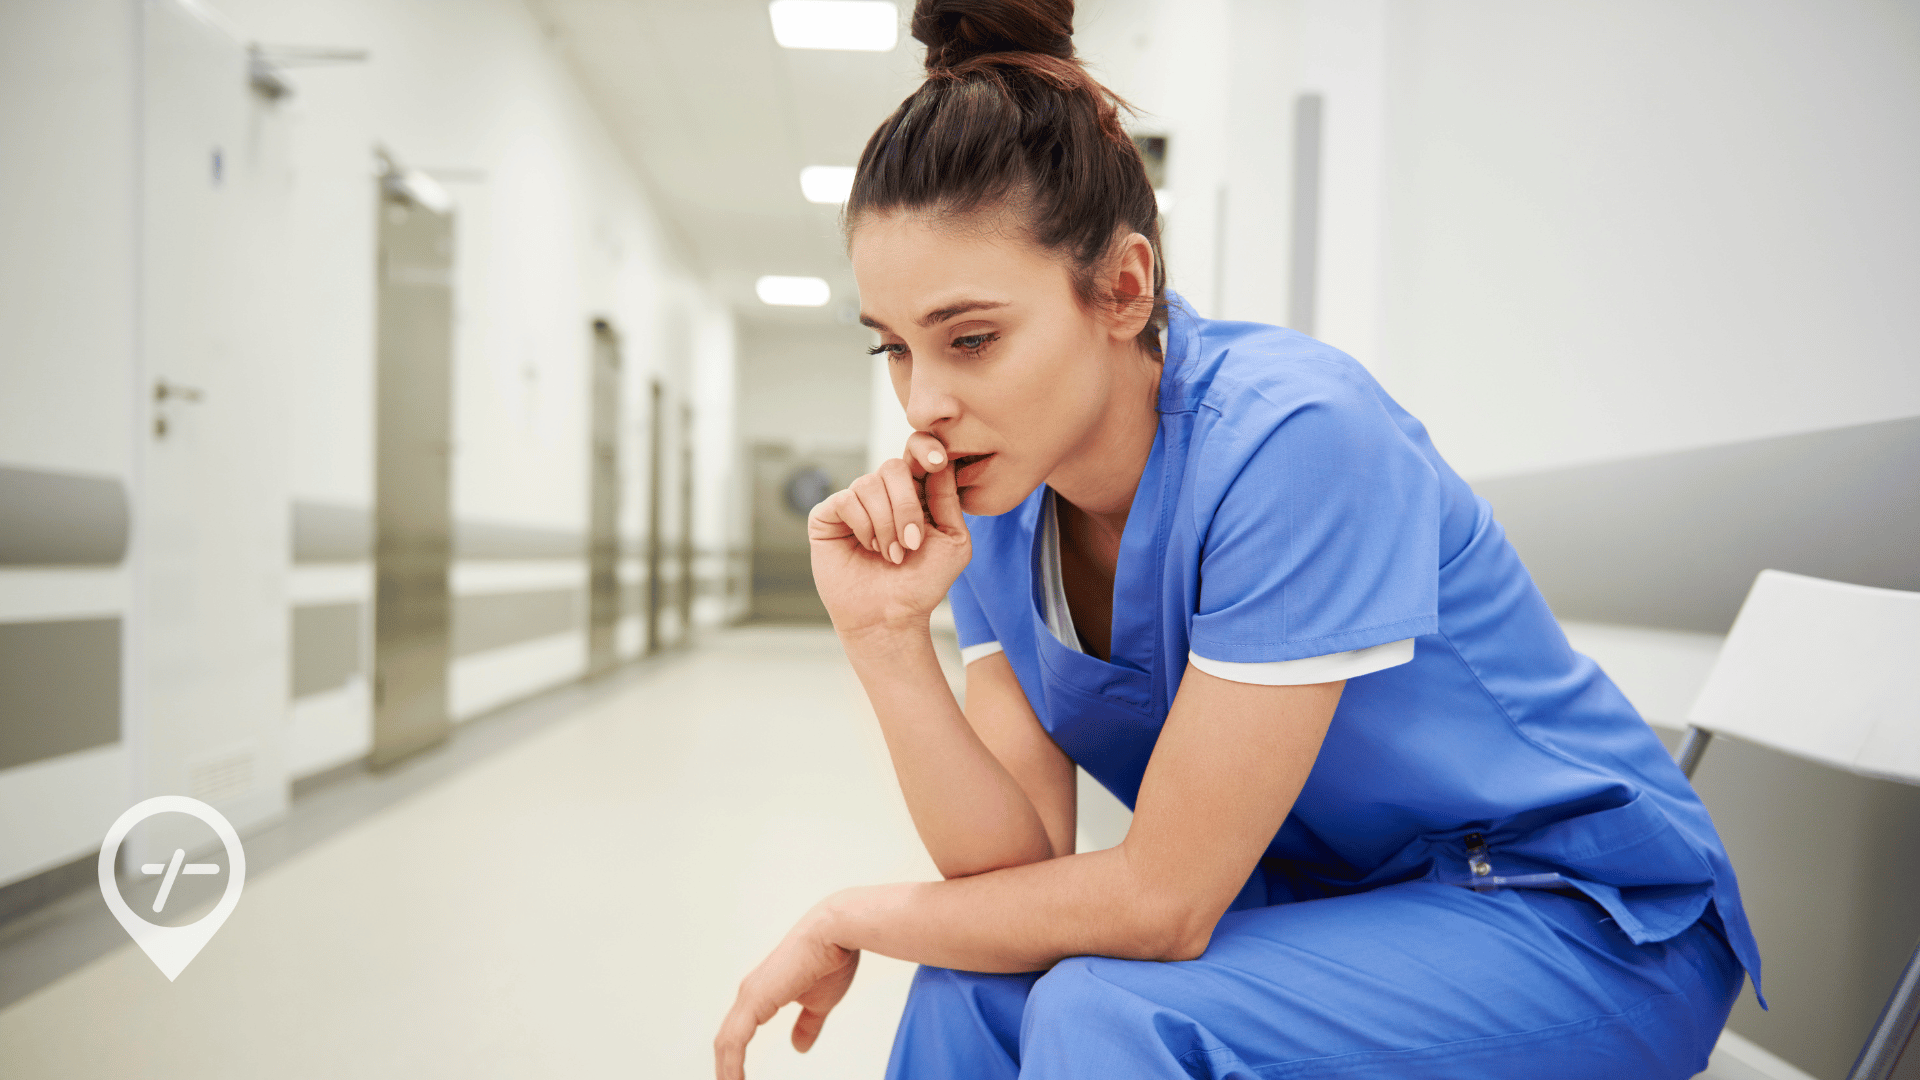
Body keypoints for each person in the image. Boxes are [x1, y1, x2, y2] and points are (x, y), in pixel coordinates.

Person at [713, 1, 1761, 1076]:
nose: (922, 401)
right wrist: (886, 640)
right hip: (1330, 921)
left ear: (1123, 289)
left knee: (1106, 1012)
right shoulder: (997, 503)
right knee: (976, 980)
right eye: (894, 349)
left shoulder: (1296, 441)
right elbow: (1009, 873)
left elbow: (1161, 903)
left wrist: (849, 914)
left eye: (971, 339)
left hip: (1576, 927)